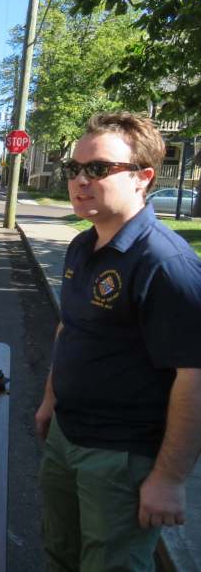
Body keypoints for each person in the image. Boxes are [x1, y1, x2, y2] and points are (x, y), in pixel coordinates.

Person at [34, 112, 201, 572]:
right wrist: (49, 400)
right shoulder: (81, 245)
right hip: (67, 435)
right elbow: (70, 329)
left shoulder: (165, 264)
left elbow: (194, 376)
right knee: (60, 552)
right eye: (74, 168)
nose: (80, 179)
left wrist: (169, 478)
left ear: (142, 178)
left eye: (98, 168)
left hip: (120, 456)